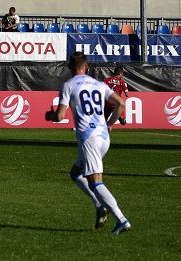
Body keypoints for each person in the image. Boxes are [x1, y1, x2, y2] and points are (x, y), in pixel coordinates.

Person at [46, 52, 131, 235]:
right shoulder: (99, 84)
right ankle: (99, 204)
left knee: (95, 181)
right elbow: (121, 104)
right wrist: (109, 124)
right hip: (104, 137)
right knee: (76, 173)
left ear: (70, 67)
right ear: (86, 67)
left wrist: (49, 115)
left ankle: (121, 219)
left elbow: (60, 116)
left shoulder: (68, 85)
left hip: (89, 138)